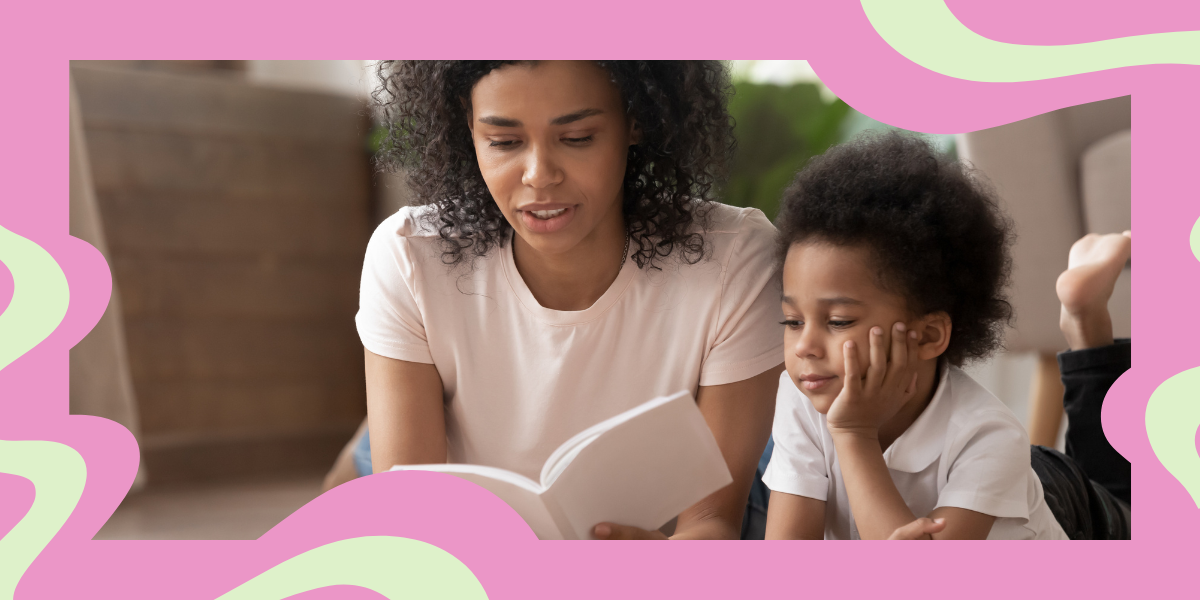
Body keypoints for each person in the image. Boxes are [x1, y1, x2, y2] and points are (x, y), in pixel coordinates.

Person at [329, 60, 785, 540]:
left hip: (688, 522)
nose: (539, 176)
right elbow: (412, 527)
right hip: (465, 454)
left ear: (636, 119)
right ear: (467, 126)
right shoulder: (408, 254)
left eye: (578, 138)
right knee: (345, 506)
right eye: (504, 142)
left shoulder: (735, 255)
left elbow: (712, 522)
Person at [762, 132, 1069, 539]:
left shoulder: (987, 437)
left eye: (838, 322)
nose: (804, 347)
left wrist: (854, 434)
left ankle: (1087, 320)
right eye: (793, 321)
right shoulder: (802, 399)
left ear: (927, 336)